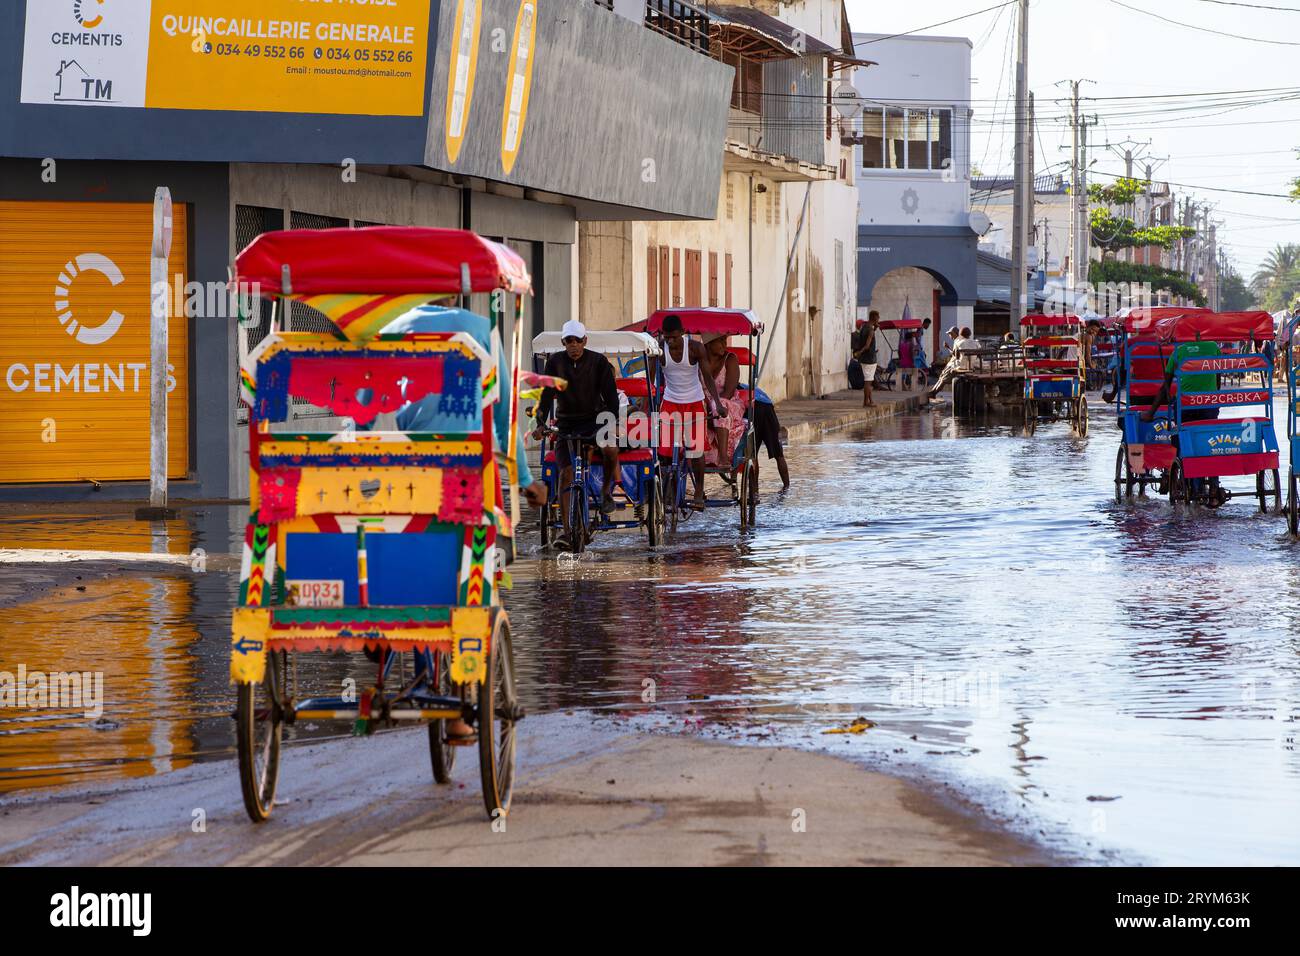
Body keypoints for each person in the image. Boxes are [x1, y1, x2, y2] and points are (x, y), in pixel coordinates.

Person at [534, 319, 621, 549]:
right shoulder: (554, 363)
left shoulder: (599, 362)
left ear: (585, 341)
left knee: (611, 449)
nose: (573, 345)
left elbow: (612, 401)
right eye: (569, 341)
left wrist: (609, 423)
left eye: (577, 340)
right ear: (563, 342)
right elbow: (544, 397)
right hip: (566, 426)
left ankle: (605, 493)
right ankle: (566, 530)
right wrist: (540, 422)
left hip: (594, 421)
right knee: (566, 473)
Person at [655, 314, 726, 512]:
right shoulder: (659, 348)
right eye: (667, 338)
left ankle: (698, 491)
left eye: (674, 337)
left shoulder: (695, 348)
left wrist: (717, 403)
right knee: (666, 453)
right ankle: (668, 489)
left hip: (694, 401)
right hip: (670, 402)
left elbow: (708, 378)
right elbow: (652, 377)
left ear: (683, 333)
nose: (671, 342)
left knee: (696, 451)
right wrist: (646, 403)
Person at [701, 332, 747, 469]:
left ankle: (723, 455)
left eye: (725, 340)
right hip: (706, 406)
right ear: (709, 344)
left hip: (729, 405)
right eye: (720, 340)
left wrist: (714, 410)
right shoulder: (699, 362)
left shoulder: (730, 359)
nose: (724, 344)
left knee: (718, 404)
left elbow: (729, 390)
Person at [852, 312, 880, 406]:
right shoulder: (870, 330)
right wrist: (859, 352)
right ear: (875, 318)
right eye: (878, 317)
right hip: (870, 359)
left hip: (863, 359)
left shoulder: (864, 327)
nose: (879, 319)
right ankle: (865, 402)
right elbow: (867, 345)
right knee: (868, 382)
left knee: (868, 380)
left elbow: (867, 337)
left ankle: (870, 401)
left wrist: (875, 328)